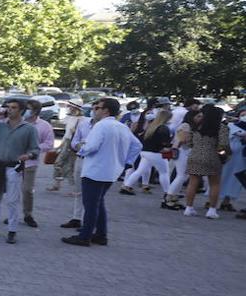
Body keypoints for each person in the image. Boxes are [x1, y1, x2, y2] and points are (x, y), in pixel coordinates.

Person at [63, 97, 137, 247]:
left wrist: (81, 149)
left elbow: (92, 146)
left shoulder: (101, 126)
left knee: (90, 204)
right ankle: (101, 234)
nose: (94, 111)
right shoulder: (122, 126)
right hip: (111, 171)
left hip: (95, 170)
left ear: (106, 111)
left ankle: (85, 236)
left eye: (97, 108)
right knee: (98, 202)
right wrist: (126, 162)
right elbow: (137, 146)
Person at [0, 99, 40, 245]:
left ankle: (12, 230)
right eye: (8, 107)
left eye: (13, 107)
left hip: (14, 167)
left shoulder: (29, 129)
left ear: (21, 111)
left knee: (12, 200)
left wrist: (29, 155)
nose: (9, 110)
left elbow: (35, 149)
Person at [180, 105, 230, 218]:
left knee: (192, 183)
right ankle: (212, 210)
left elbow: (189, 143)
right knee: (214, 184)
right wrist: (225, 154)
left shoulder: (196, 126)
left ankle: (189, 208)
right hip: (212, 157)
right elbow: (224, 145)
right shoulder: (222, 128)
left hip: (195, 156)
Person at [119, 109, 173, 199]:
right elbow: (164, 144)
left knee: (140, 170)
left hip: (145, 152)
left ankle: (126, 186)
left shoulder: (152, 126)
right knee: (164, 172)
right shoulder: (164, 128)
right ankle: (168, 192)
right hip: (156, 153)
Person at [21, 100, 55, 228]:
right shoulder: (18, 122)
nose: (25, 111)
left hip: (30, 162)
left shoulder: (44, 126)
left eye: (28, 109)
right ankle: (13, 214)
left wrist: (34, 149)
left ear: (35, 111)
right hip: (13, 161)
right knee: (12, 191)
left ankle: (28, 214)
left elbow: (49, 144)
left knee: (27, 190)